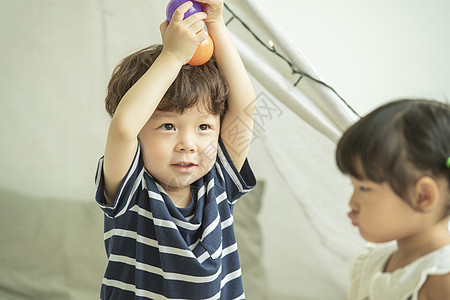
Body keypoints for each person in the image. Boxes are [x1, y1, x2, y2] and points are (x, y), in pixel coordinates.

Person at [94, 1, 256, 299]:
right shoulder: (132, 190)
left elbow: (244, 106)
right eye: (168, 126)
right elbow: (124, 127)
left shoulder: (218, 176)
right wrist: (172, 55)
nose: (188, 144)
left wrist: (216, 22)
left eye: (204, 127)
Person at [336, 99, 450, 300]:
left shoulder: (441, 279)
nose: (352, 203)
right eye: (352, 186)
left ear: (423, 196)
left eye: (363, 188)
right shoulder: (375, 262)